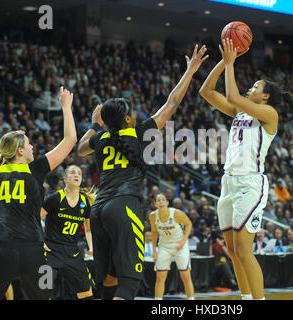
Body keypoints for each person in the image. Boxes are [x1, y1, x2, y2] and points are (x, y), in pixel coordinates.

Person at [77, 45, 208, 300]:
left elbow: (80, 149)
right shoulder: (140, 134)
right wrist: (190, 71)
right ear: (127, 119)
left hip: (99, 210)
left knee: (108, 279)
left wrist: (95, 124)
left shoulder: (101, 138)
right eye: (132, 112)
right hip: (124, 206)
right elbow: (172, 102)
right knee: (130, 283)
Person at [199, 38, 293, 300]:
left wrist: (231, 63)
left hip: (250, 185)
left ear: (265, 96)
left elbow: (231, 95)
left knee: (244, 250)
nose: (250, 88)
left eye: (255, 86)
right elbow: (206, 92)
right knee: (232, 251)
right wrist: (222, 62)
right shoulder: (240, 113)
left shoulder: (269, 114)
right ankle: (245, 298)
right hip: (228, 183)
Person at [0, 87, 77, 299]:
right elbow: (70, 140)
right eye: (29, 144)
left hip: (0, 251)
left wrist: (10, 144)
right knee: (44, 296)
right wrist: (66, 107)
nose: (33, 147)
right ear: (20, 151)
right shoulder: (36, 169)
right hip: (33, 251)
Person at [40, 165, 96, 300]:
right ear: (65, 178)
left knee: (86, 292)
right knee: (44, 291)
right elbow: (35, 219)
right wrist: (39, 240)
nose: (76, 175)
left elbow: (88, 229)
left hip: (72, 252)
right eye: (72, 172)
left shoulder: (85, 202)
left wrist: (92, 247)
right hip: (50, 251)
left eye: (79, 173)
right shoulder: (55, 198)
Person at [149, 194, 194, 300]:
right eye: (158, 200)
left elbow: (189, 224)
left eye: (163, 200)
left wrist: (184, 241)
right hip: (164, 246)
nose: (161, 202)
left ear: (167, 203)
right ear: (155, 204)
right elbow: (154, 232)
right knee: (160, 278)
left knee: (186, 276)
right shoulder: (153, 216)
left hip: (180, 245)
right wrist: (154, 251)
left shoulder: (177, 213)